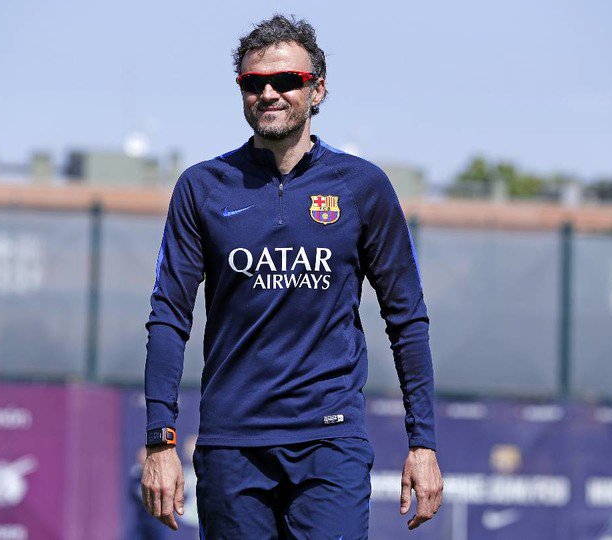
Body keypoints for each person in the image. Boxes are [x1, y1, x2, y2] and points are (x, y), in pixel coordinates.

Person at [141, 13, 443, 538]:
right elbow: (168, 318)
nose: (268, 93)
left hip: (330, 441)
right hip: (231, 444)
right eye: (253, 82)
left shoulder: (363, 186)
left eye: (286, 80)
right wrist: (159, 440)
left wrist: (424, 443)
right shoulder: (202, 187)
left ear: (317, 89)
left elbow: (407, 320)